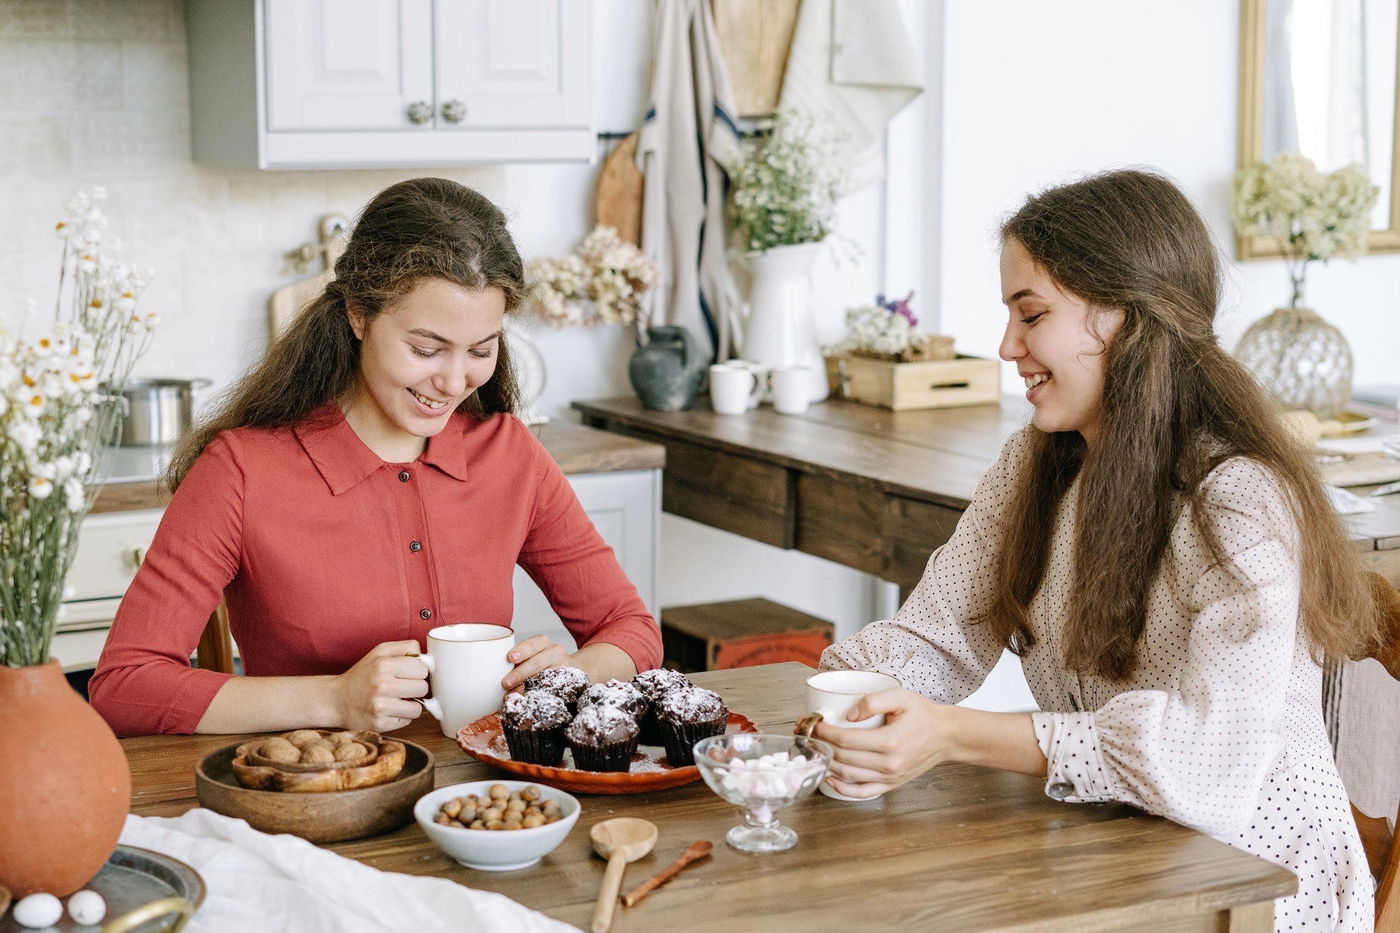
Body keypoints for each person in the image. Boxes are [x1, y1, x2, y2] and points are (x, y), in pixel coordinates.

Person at [811, 170, 1379, 931]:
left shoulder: (1238, 499)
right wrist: (845, 700)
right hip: (1118, 858)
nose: (1008, 345)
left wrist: (949, 734)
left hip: (1255, 888)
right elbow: (935, 635)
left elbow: (1204, 762)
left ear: (1123, 319)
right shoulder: (1036, 464)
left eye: (1032, 314)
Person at [89, 177, 662, 737]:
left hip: (485, 792)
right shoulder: (241, 468)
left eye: (481, 351)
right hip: (318, 803)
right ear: (358, 315)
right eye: (425, 349)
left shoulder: (510, 452)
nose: (454, 379)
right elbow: (125, 686)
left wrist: (575, 673)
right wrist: (335, 698)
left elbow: (631, 629)